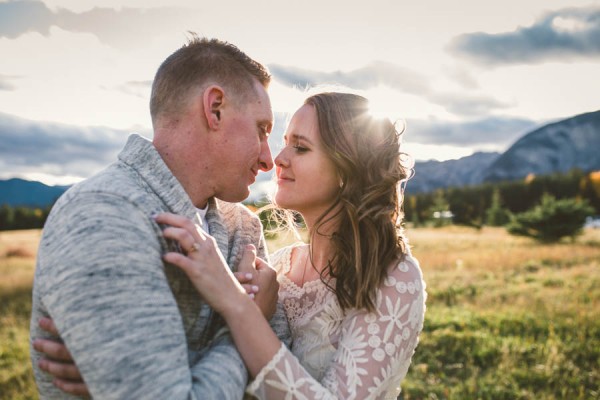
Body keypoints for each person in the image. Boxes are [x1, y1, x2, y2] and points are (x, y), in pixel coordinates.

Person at [39, 92, 427, 399]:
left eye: (301, 148)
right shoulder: (277, 266)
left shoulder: (394, 277)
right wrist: (122, 373)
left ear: (348, 170)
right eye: (283, 142)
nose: (277, 158)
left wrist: (237, 305)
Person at [29, 36, 290, 399]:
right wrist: (248, 323)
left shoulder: (244, 227)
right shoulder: (102, 214)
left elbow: (281, 377)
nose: (268, 159)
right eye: (262, 129)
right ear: (215, 108)